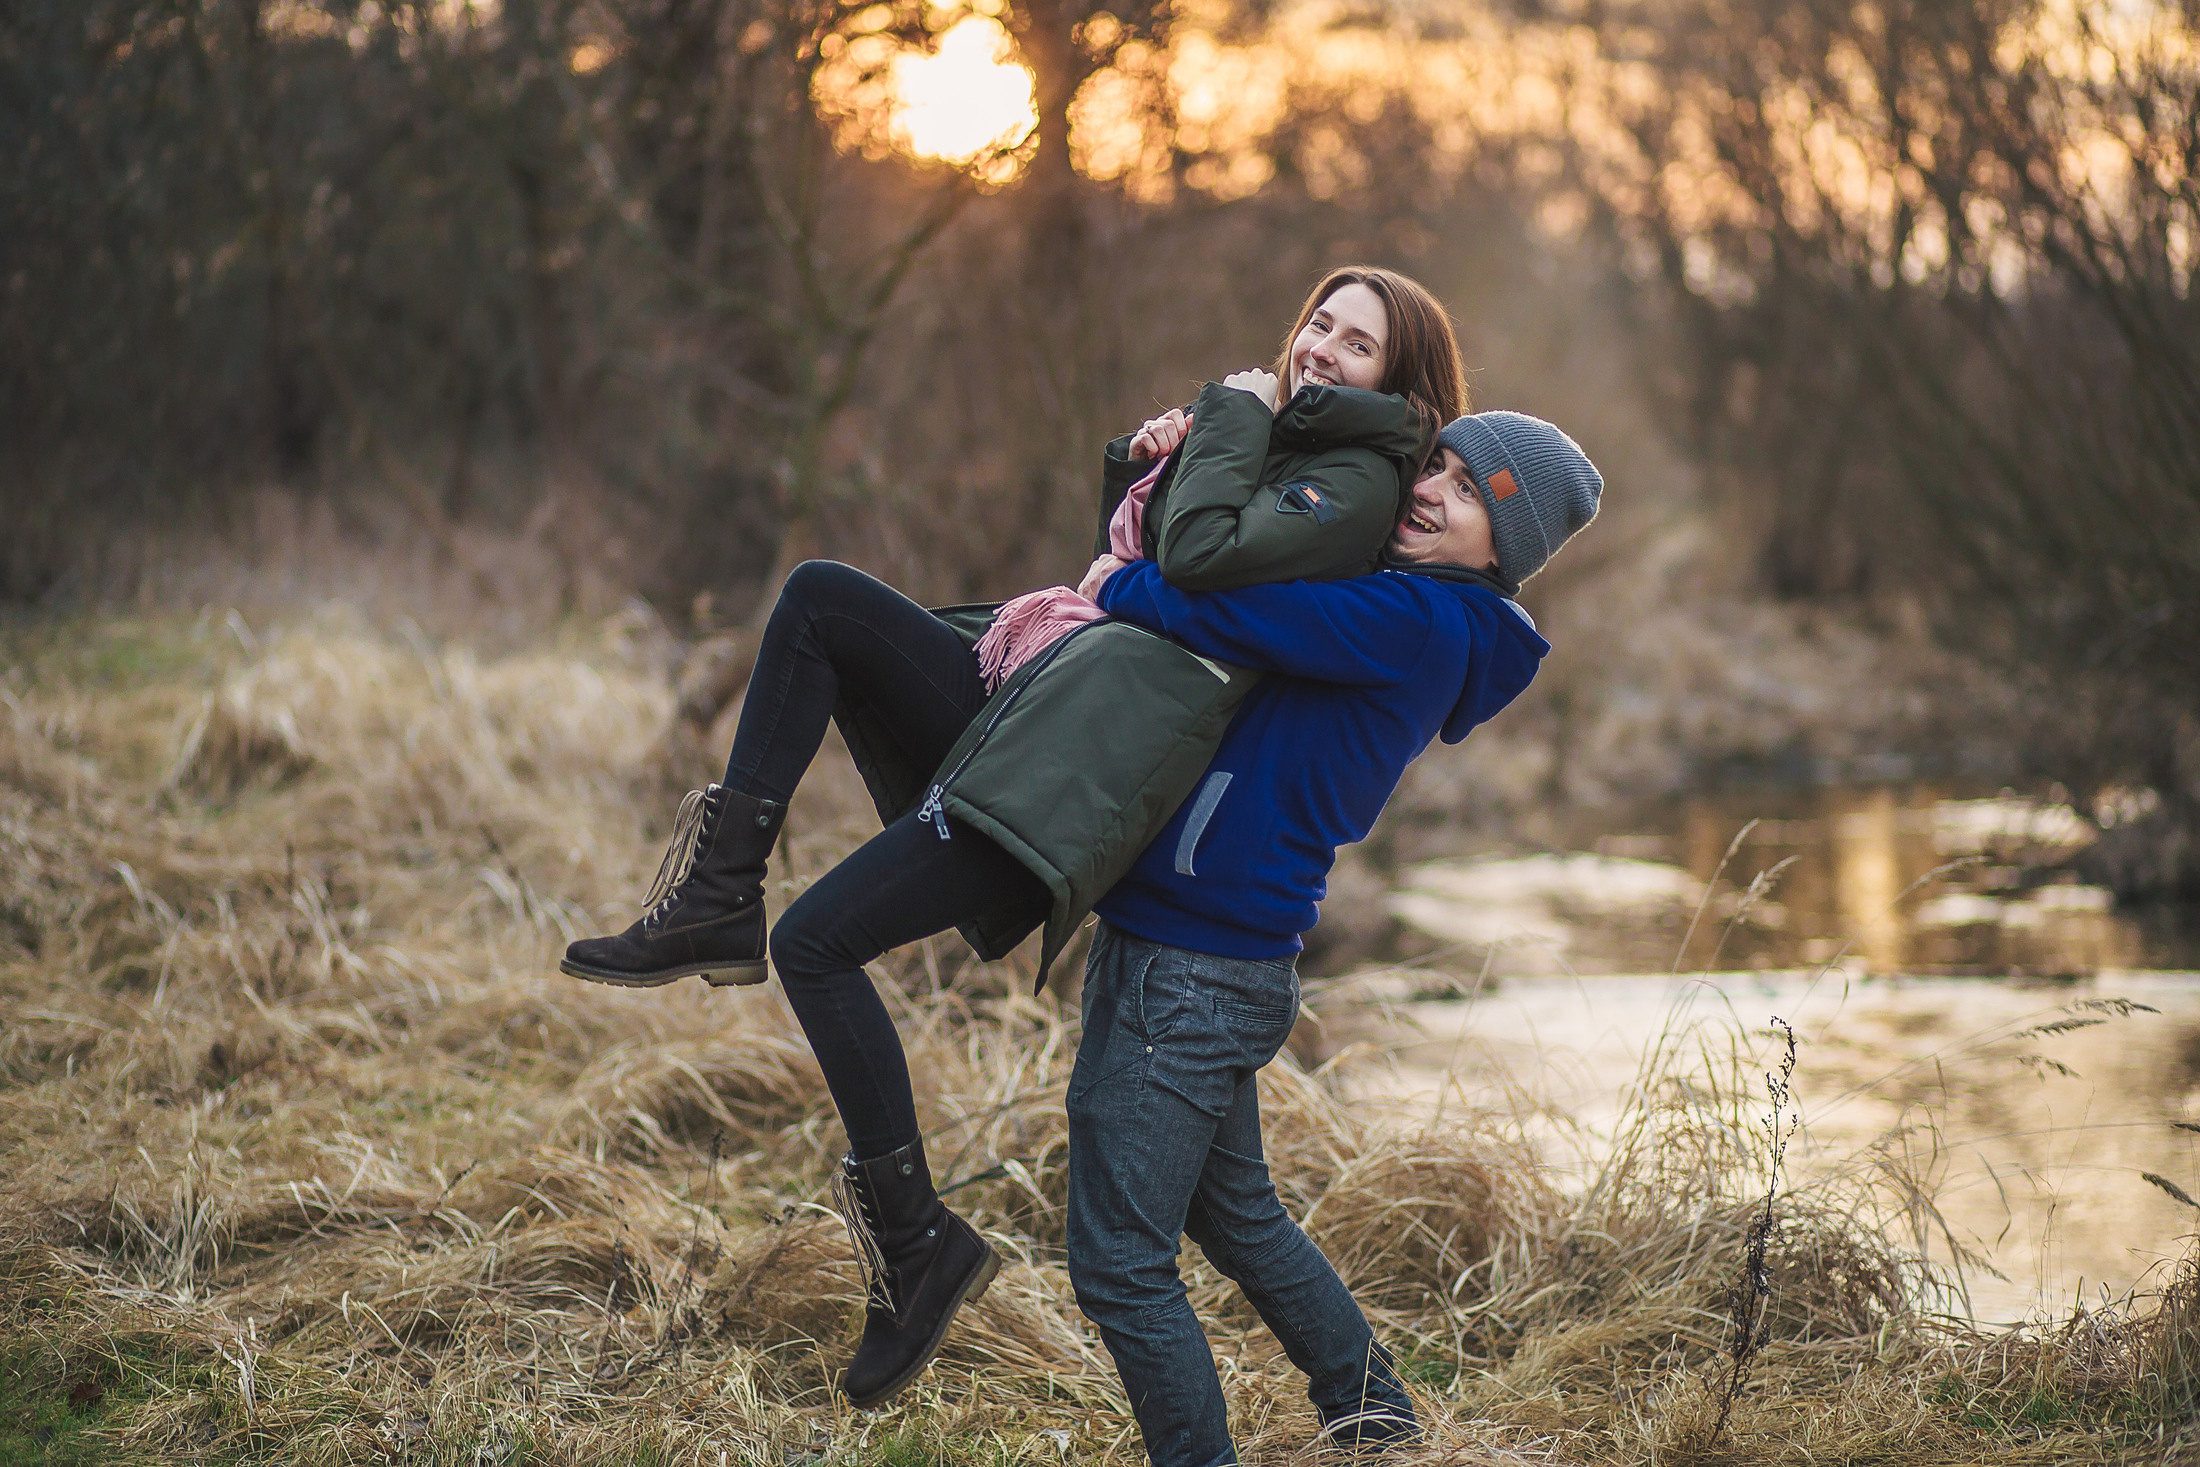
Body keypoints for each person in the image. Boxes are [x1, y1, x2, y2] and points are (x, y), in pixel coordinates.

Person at [559, 266, 1468, 1410]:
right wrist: (1148, 463)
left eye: (1359, 343)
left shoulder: (1352, 480)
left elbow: (1189, 570)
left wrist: (1229, 421)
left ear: (1401, 380)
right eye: (1318, 324)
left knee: (817, 946)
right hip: (1051, 694)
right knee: (819, 603)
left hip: (1077, 770)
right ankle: (717, 889)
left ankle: (915, 1246)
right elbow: (1141, 562)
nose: (1322, 348)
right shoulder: (1296, 449)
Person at [1064, 408, 1601, 1466]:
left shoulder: (1418, 619)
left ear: (1509, 542)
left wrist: (1114, 587)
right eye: (1433, 466)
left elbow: (1238, 618)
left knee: (1119, 1262)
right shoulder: (1420, 607)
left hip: (1197, 961)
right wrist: (1141, 473)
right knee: (1237, 1217)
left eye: (1466, 488)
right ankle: (1377, 1421)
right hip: (1208, 946)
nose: (1431, 489)